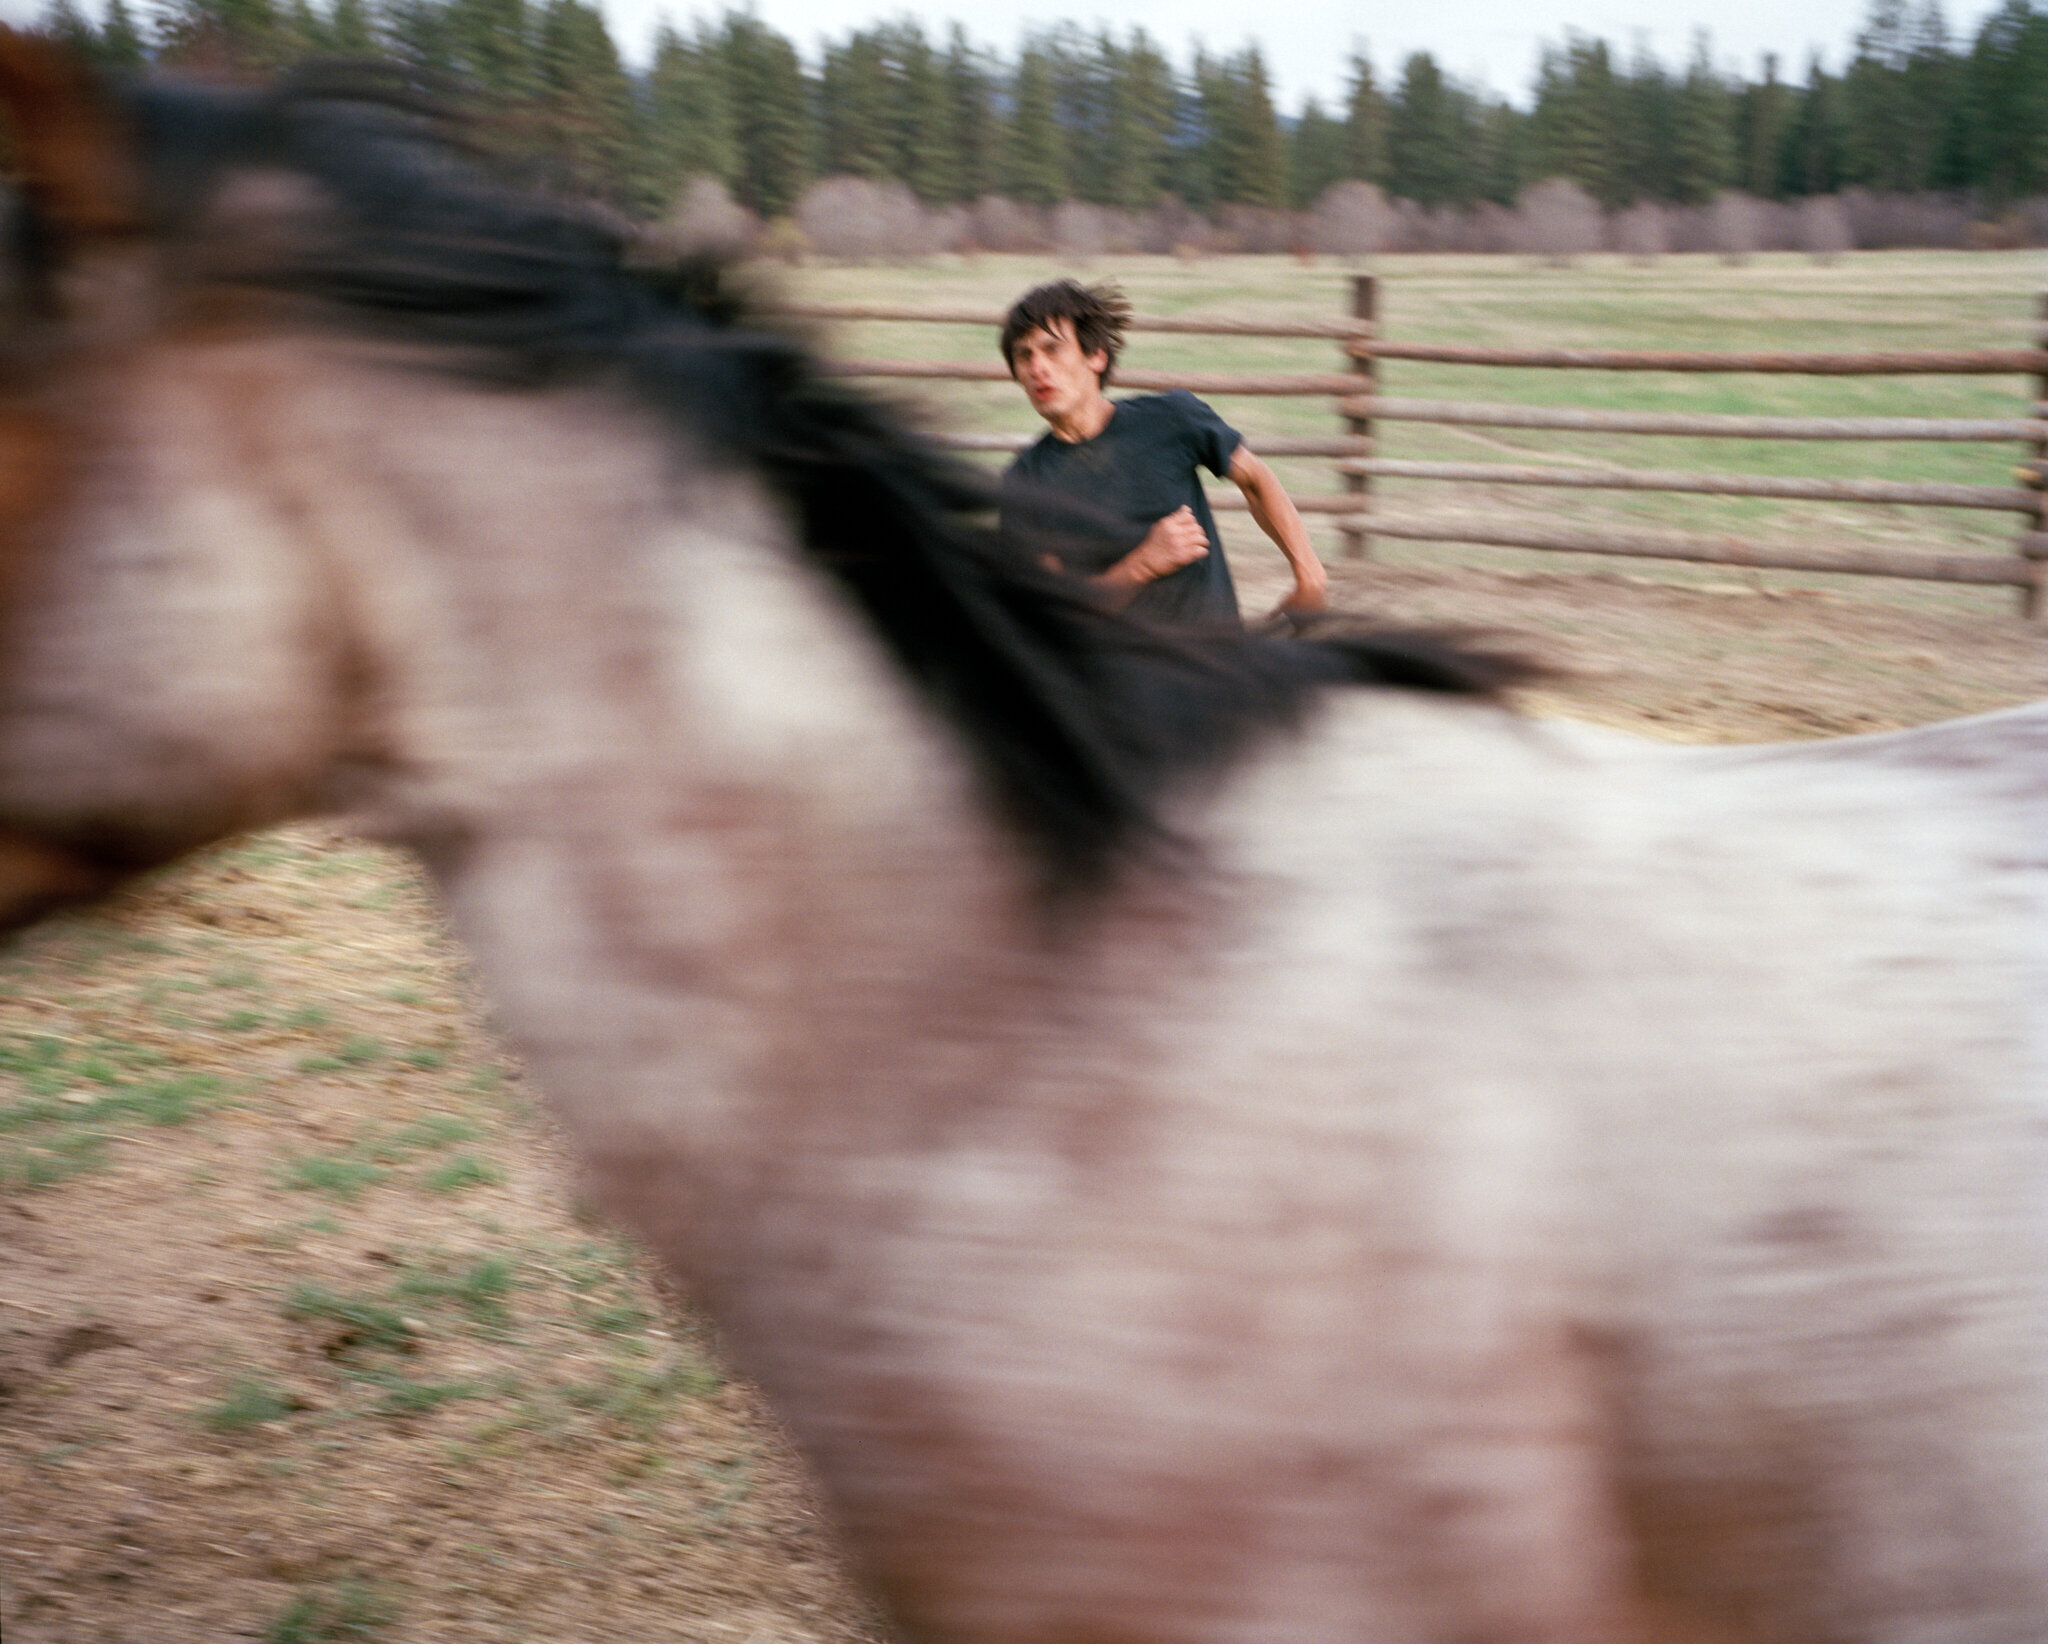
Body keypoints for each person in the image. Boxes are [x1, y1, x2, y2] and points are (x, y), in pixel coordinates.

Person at [997, 279, 1328, 627]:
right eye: (1024, 355)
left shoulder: (1171, 420)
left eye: (1052, 349)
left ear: (1096, 355)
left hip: (1216, 664)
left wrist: (1309, 576)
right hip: (1118, 676)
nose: (1037, 368)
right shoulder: (1025, 482)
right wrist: (1142, 564)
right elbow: (1055, 614)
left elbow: (1256, 481)